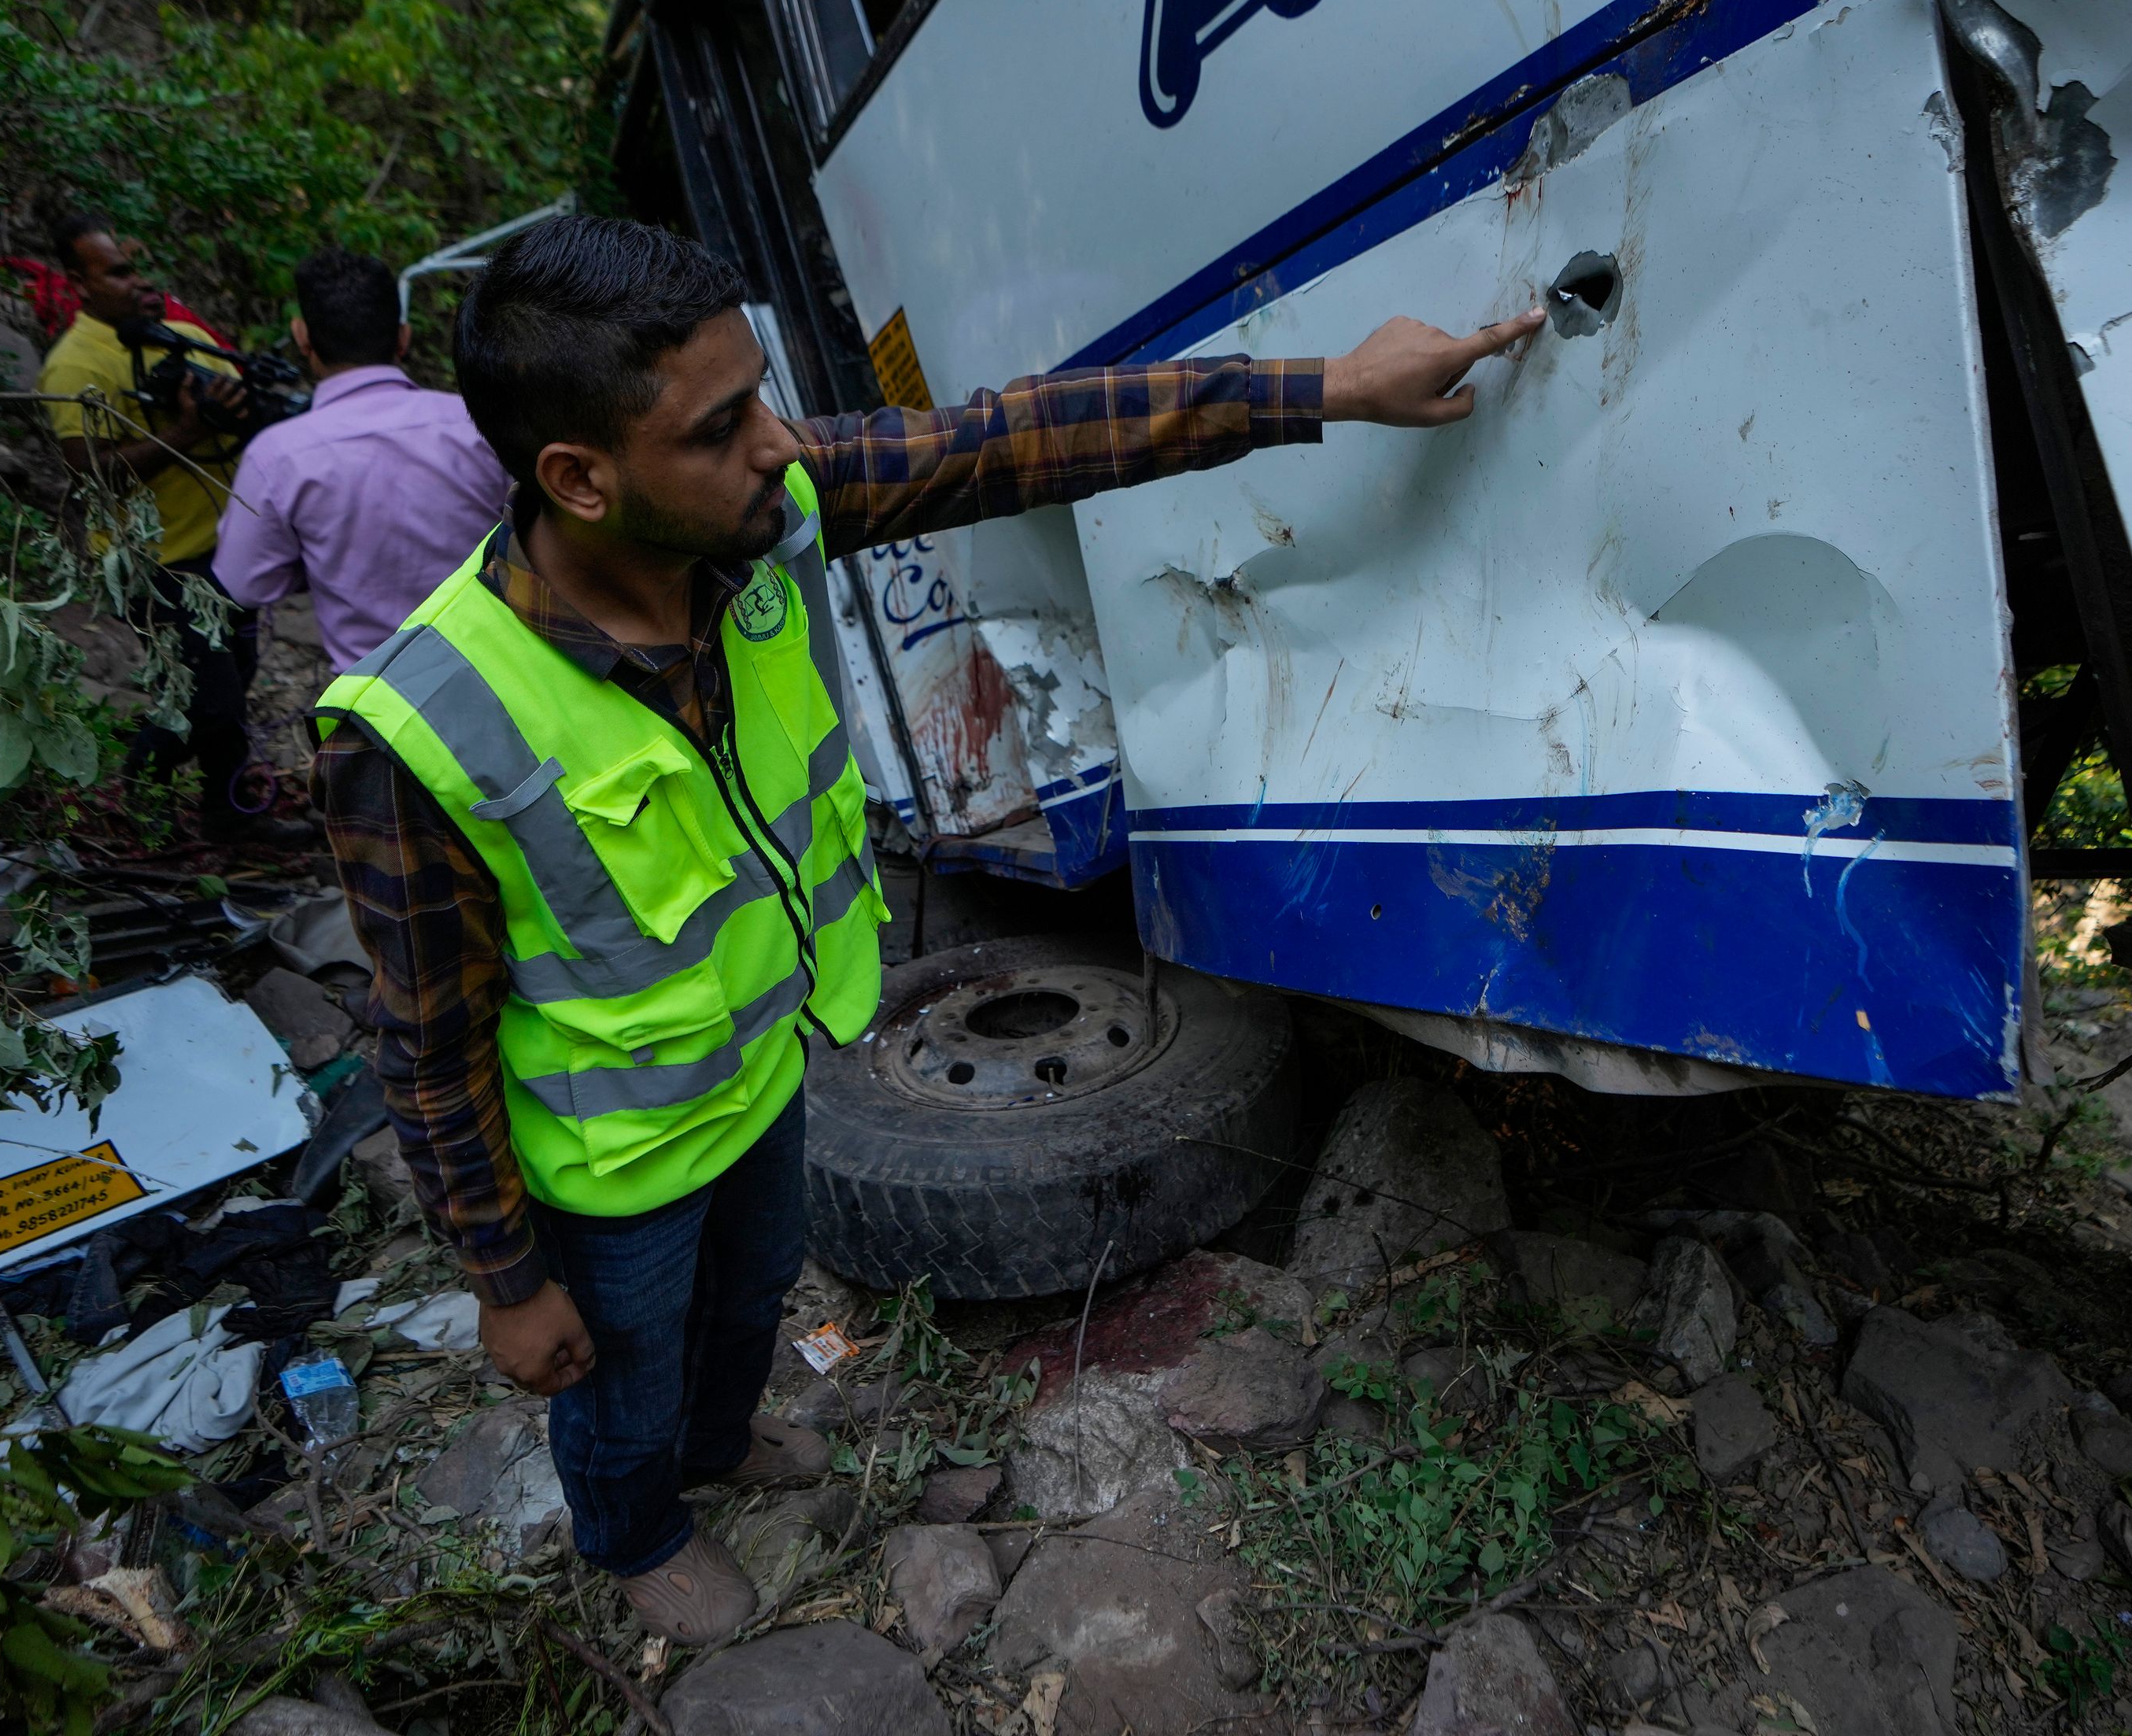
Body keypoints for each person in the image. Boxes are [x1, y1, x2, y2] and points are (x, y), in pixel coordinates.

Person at [309, 214, 1542, 1646]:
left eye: (762, 396)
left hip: (777, 1067)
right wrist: (505, 1281)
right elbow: (429, 1044)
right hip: (614, 1168)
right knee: (617, 1369)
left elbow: (1018, 440)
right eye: (724, 427)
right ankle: (636, 1527)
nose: (779, 443)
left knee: (758, 1297)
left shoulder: (764, 519)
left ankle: (715, 1450)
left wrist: (1325, 386)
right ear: (579, 479)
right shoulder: (420, 727)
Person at [35, 214, 283, 844]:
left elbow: (242, 413)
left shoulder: (179, 335)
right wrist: (184, 432)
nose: (137, 281)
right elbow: (93, 475)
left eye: (139, 267)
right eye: (118, 271)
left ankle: (229, 818)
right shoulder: (74, 365)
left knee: (231, 686)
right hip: (153, 561)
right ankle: (139, 796)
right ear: (79, 283)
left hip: (226, 547)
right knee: (209, 700)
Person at [212, 249, 510, 671]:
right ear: (403, 338)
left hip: (372, 705)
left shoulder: (277, 455)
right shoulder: (479, 423)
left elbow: (242, 585)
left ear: (303, 338)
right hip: (496, 678)